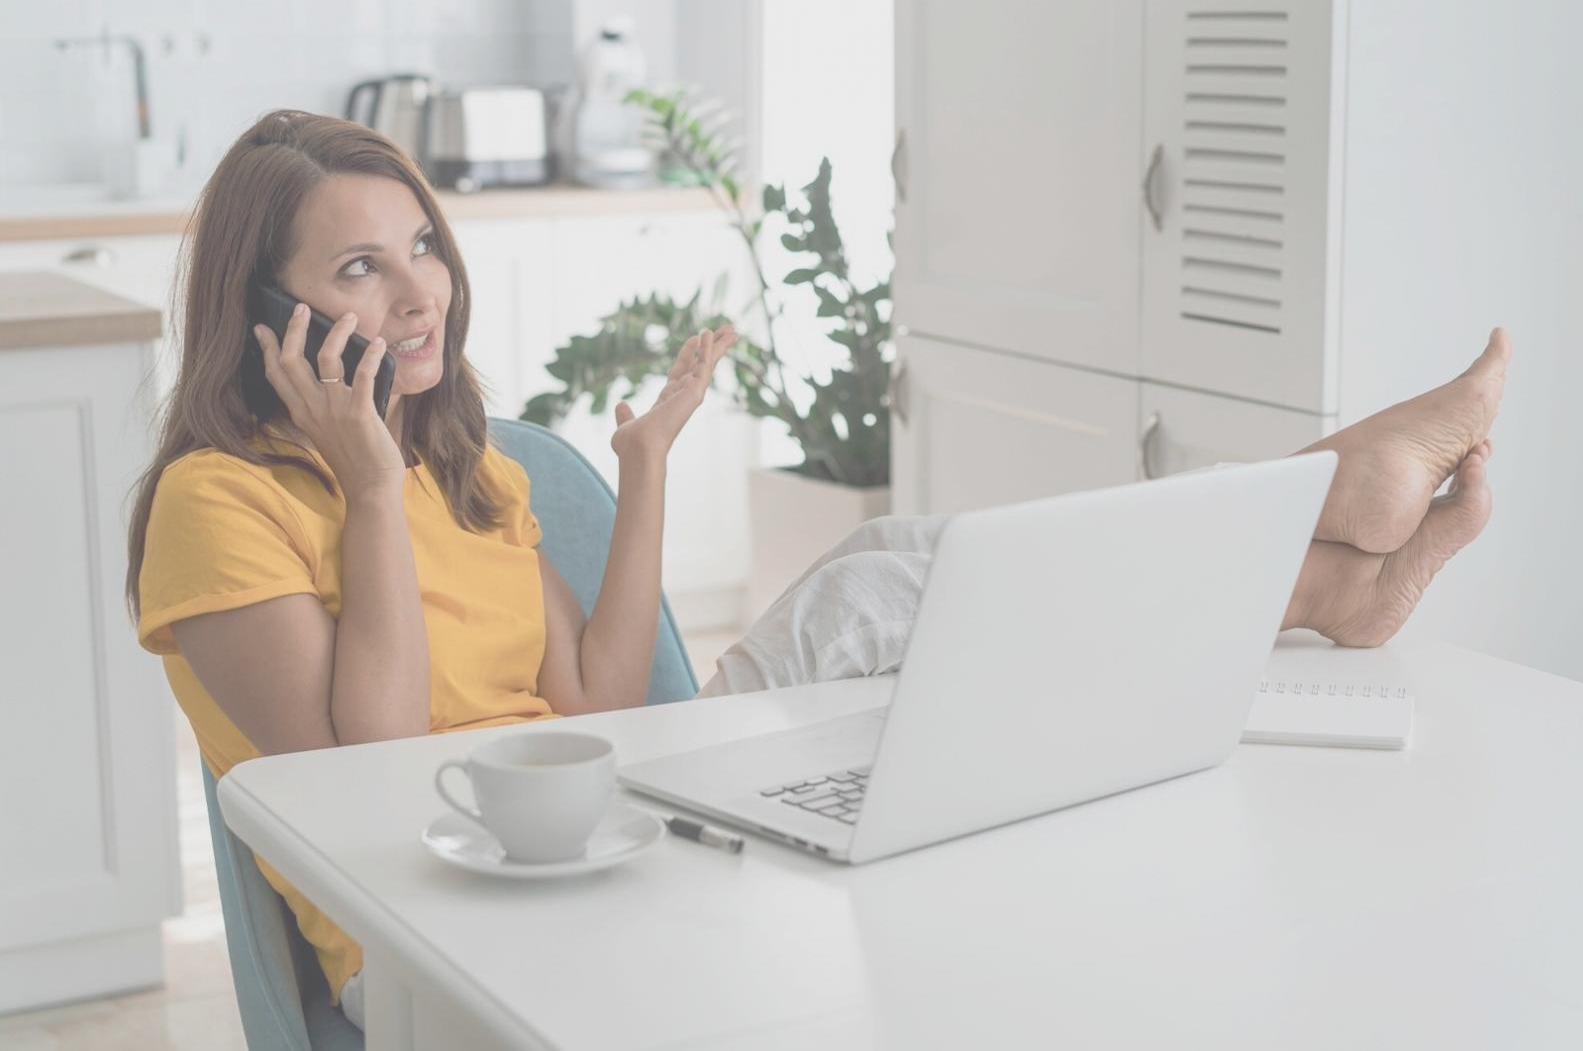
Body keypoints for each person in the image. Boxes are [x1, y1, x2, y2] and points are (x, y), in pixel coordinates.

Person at [126, 110, 1507, 1029]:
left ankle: (1331, 563)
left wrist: (648, 468)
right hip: (437, 946)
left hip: (601, 832)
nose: (419, 290)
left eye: (422, 243)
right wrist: (366, 484)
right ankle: (1335, 554)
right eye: (360, 268)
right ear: (265, 316)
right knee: (902, 608)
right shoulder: (219, 505)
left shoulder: (469, 469)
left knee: (914, 568)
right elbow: (362, 780)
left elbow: (604, 697)